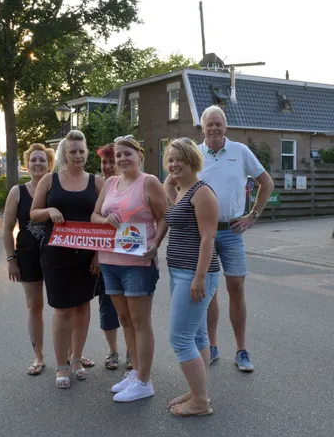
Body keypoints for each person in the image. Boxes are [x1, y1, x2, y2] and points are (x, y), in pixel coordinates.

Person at [164, 105, 274, 372]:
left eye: (218, 124)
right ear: (202, 128)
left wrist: (253, 216)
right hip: (203, 235)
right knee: (209, 292)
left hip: (232, 231)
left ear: (226, 126)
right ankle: (211, 346)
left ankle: (241, 349)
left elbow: (266, 183)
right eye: (209, 124)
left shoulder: (240, 152)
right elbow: (169, 182)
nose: (214, 128)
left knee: (236, 289)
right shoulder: (194, 154)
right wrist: (180, 209)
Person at [92, 135, 168, 403]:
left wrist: (156, 243)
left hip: (138, 263)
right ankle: (136, 372)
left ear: (139, 156)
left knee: (140, 322)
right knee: (124, 320)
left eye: (128, 154)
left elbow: (164, 217)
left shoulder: (149, 182)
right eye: (118, 155)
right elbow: (94, 215)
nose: (122, 159)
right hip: (110, 261)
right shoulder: (111, 182)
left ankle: (145, 381)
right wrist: (105, 218)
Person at [30, 130, 105, 389]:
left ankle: (76, 359)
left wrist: (98, 254)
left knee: (83, 307)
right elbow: (34, 213)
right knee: (62, 310)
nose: (77, 156)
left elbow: (105, 221)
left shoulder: (97, 182)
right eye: (72, 151)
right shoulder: (50, 181)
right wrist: (49, 210)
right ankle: (61, 365)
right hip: (56, 254)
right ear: (64, 153)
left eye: (81, 151)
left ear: (87, 153)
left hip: (87, 255)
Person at [161, 138, 220, 417]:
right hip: (180, 272)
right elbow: (168, 209)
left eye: (179, 159)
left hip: (195, 275)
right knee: (197, 337)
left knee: (180, 338)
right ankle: (198, 391)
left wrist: (199, 278)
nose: (173, 164)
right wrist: (170, 182)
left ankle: (200, 402)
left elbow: (208, 238)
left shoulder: (202, 192)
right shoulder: (181, 191)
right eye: (170, 160)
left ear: (192, 160)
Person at [2, 143, 54, 376]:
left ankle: (73, 354)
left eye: (42, 160)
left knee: (66, 306)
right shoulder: (17, 192)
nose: (37, 164)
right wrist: (11, 259)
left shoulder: (56, 189)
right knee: (35, 307)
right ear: (27, 163)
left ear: (49, 164)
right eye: (33, 160)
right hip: (27, 255)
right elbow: (6, 229)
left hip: (56, 255)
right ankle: (39, 356)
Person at [94, 144, 132, 371]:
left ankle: (131, 351)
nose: (108, 167)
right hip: (105, 255)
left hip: (129, 253)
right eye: (104, 163)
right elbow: (93, 219)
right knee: (107, 304)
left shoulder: (132, 184)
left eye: (112, 162)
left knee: (131, 307)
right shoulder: (100, 185)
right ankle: (112, 351)